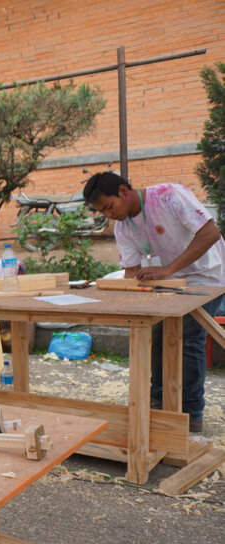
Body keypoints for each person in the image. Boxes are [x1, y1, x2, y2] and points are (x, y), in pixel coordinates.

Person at [83, 172, 225, 433]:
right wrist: (124, 298)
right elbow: (130, 272)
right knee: (157, 335)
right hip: (169, 281)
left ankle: (192, 413)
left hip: (206, 276)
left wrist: (169, 269)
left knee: (189, 337)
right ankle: (157, 404)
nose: (109, 215)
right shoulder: (124, 228)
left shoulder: (170, 195)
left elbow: (210, 233)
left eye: (109, 207)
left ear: (124, 191)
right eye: (102, 212)